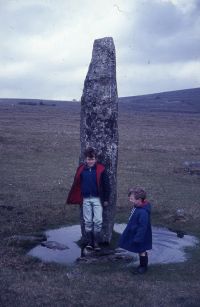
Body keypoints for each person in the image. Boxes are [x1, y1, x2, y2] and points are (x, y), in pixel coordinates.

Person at [66, 147, 110, 251]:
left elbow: (106, 185)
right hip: (85, 199)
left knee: (98, 220)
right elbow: (77, 184)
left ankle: (96, 242)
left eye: (92, 159)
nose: (90, 161)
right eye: (88, 159)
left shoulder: (101, 169)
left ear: (96, 159)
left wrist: (106, 199)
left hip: (97, 199)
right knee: (88, 221)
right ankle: (90, 242)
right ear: (85, 159)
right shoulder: (81, 169)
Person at [119, 188, 152, 274]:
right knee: (140, 250)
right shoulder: (137, 207)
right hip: (136, 232)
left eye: (132, 199)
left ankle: (143, 267)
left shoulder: (143, 212)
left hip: (141, 235)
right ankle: (142, 265)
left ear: (140, 200)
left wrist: (138, 238)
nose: (130, 200)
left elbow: (143, 227)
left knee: (142, 250)